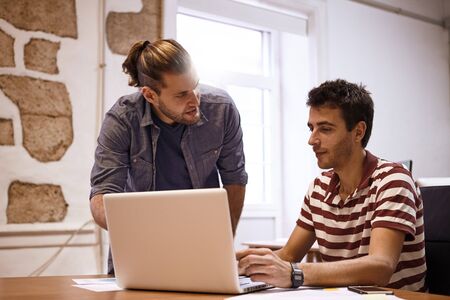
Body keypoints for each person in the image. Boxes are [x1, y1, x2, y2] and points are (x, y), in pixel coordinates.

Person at [237, 79, 426, 291]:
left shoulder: (393, 180)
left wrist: (295, 273)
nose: (312, 140)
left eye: (325, 129)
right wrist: (242, 264)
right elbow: (289, 255)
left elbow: (380, 267)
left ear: (358, 132)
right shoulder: (318, 187)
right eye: (311, 128)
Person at [90, 39, 247, 274]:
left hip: (203, 245)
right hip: (139, 248)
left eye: (195, 86)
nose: (195, 100)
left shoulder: (222, 109)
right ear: (150, 95)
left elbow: (235, 178)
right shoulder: (122, 120)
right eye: (182, 94)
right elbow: (102, 197)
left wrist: (225, 240)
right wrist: (147, 234)